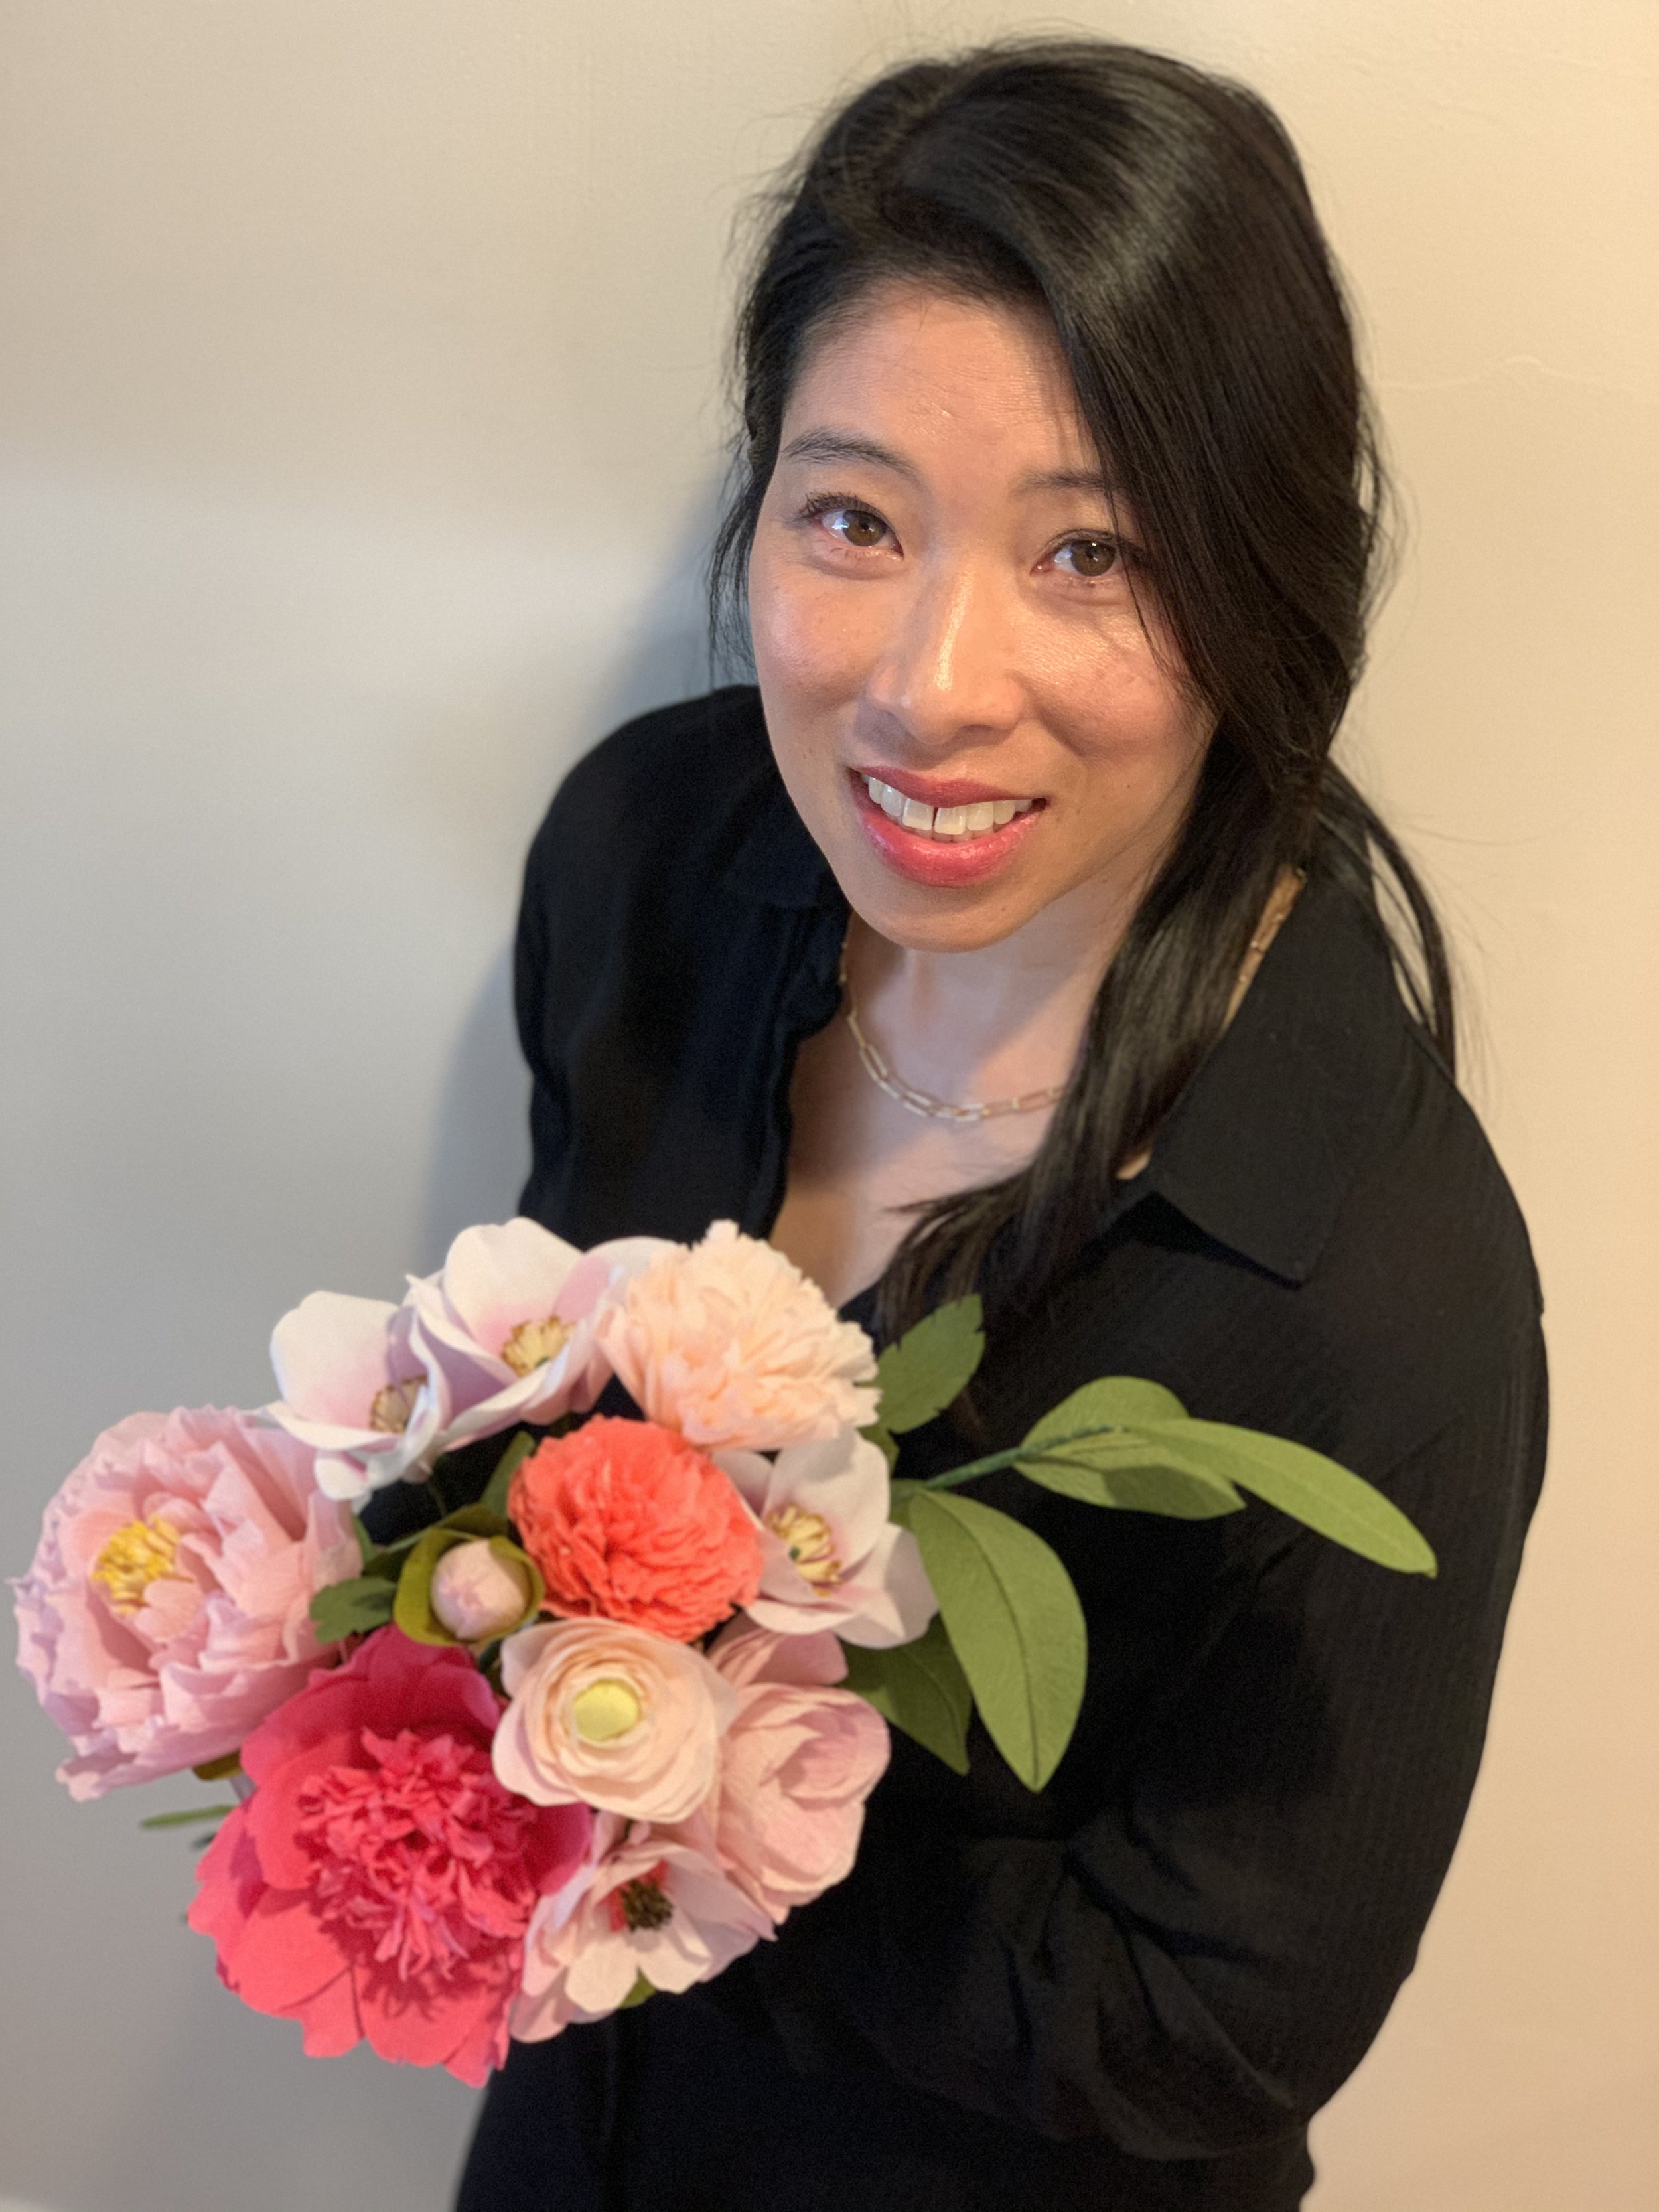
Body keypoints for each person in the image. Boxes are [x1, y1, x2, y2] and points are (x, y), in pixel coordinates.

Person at [453, 38, 1546, 2212]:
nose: (930, 686)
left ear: (1264, 588)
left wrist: (680, 1808)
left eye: (1090, 551)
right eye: (852, 518)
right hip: (574, 2139)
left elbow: (1214, 2021)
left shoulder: (1369, 1289)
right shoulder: (648, 861)